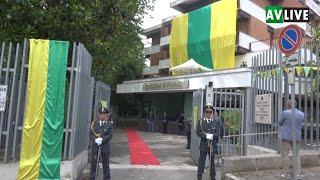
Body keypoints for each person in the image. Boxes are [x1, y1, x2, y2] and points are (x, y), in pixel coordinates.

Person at [196, 105, 223, 180]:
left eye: (210, 112)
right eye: (206, 112)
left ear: (212, 113)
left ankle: (213, 177)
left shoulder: (215, 122)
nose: (208, 113)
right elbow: (198, 132)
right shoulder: (201, 121)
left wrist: (212, 136)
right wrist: (205, 136)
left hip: (212, 145)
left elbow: (218, 133)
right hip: (204, 144)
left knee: (212, 163)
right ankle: (199, 176)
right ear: (204, 113)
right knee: (201, 162)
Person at [279, 99, 304, 179]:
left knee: (285, 154)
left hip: (286, 136)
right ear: (296, 105)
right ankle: (298, 174)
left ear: (288, 105)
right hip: (296, 137)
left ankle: (285, 173)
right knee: (296, 155)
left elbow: (280, 123)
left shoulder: (285, 113)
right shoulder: (301, 114)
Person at [90, 107, 113, 180]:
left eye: (104, 114)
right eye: (101, 114)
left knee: (105, 165)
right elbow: (91, 134)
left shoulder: (109, 124)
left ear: (106, 115)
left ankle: (106, 178)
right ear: (99, 115)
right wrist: (95, 140)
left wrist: (102, 139)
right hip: (95, 147)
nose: (102, 116)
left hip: (105, 148)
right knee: (94, 164)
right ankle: (92, 178)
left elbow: (110, 135)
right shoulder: (94, 123)